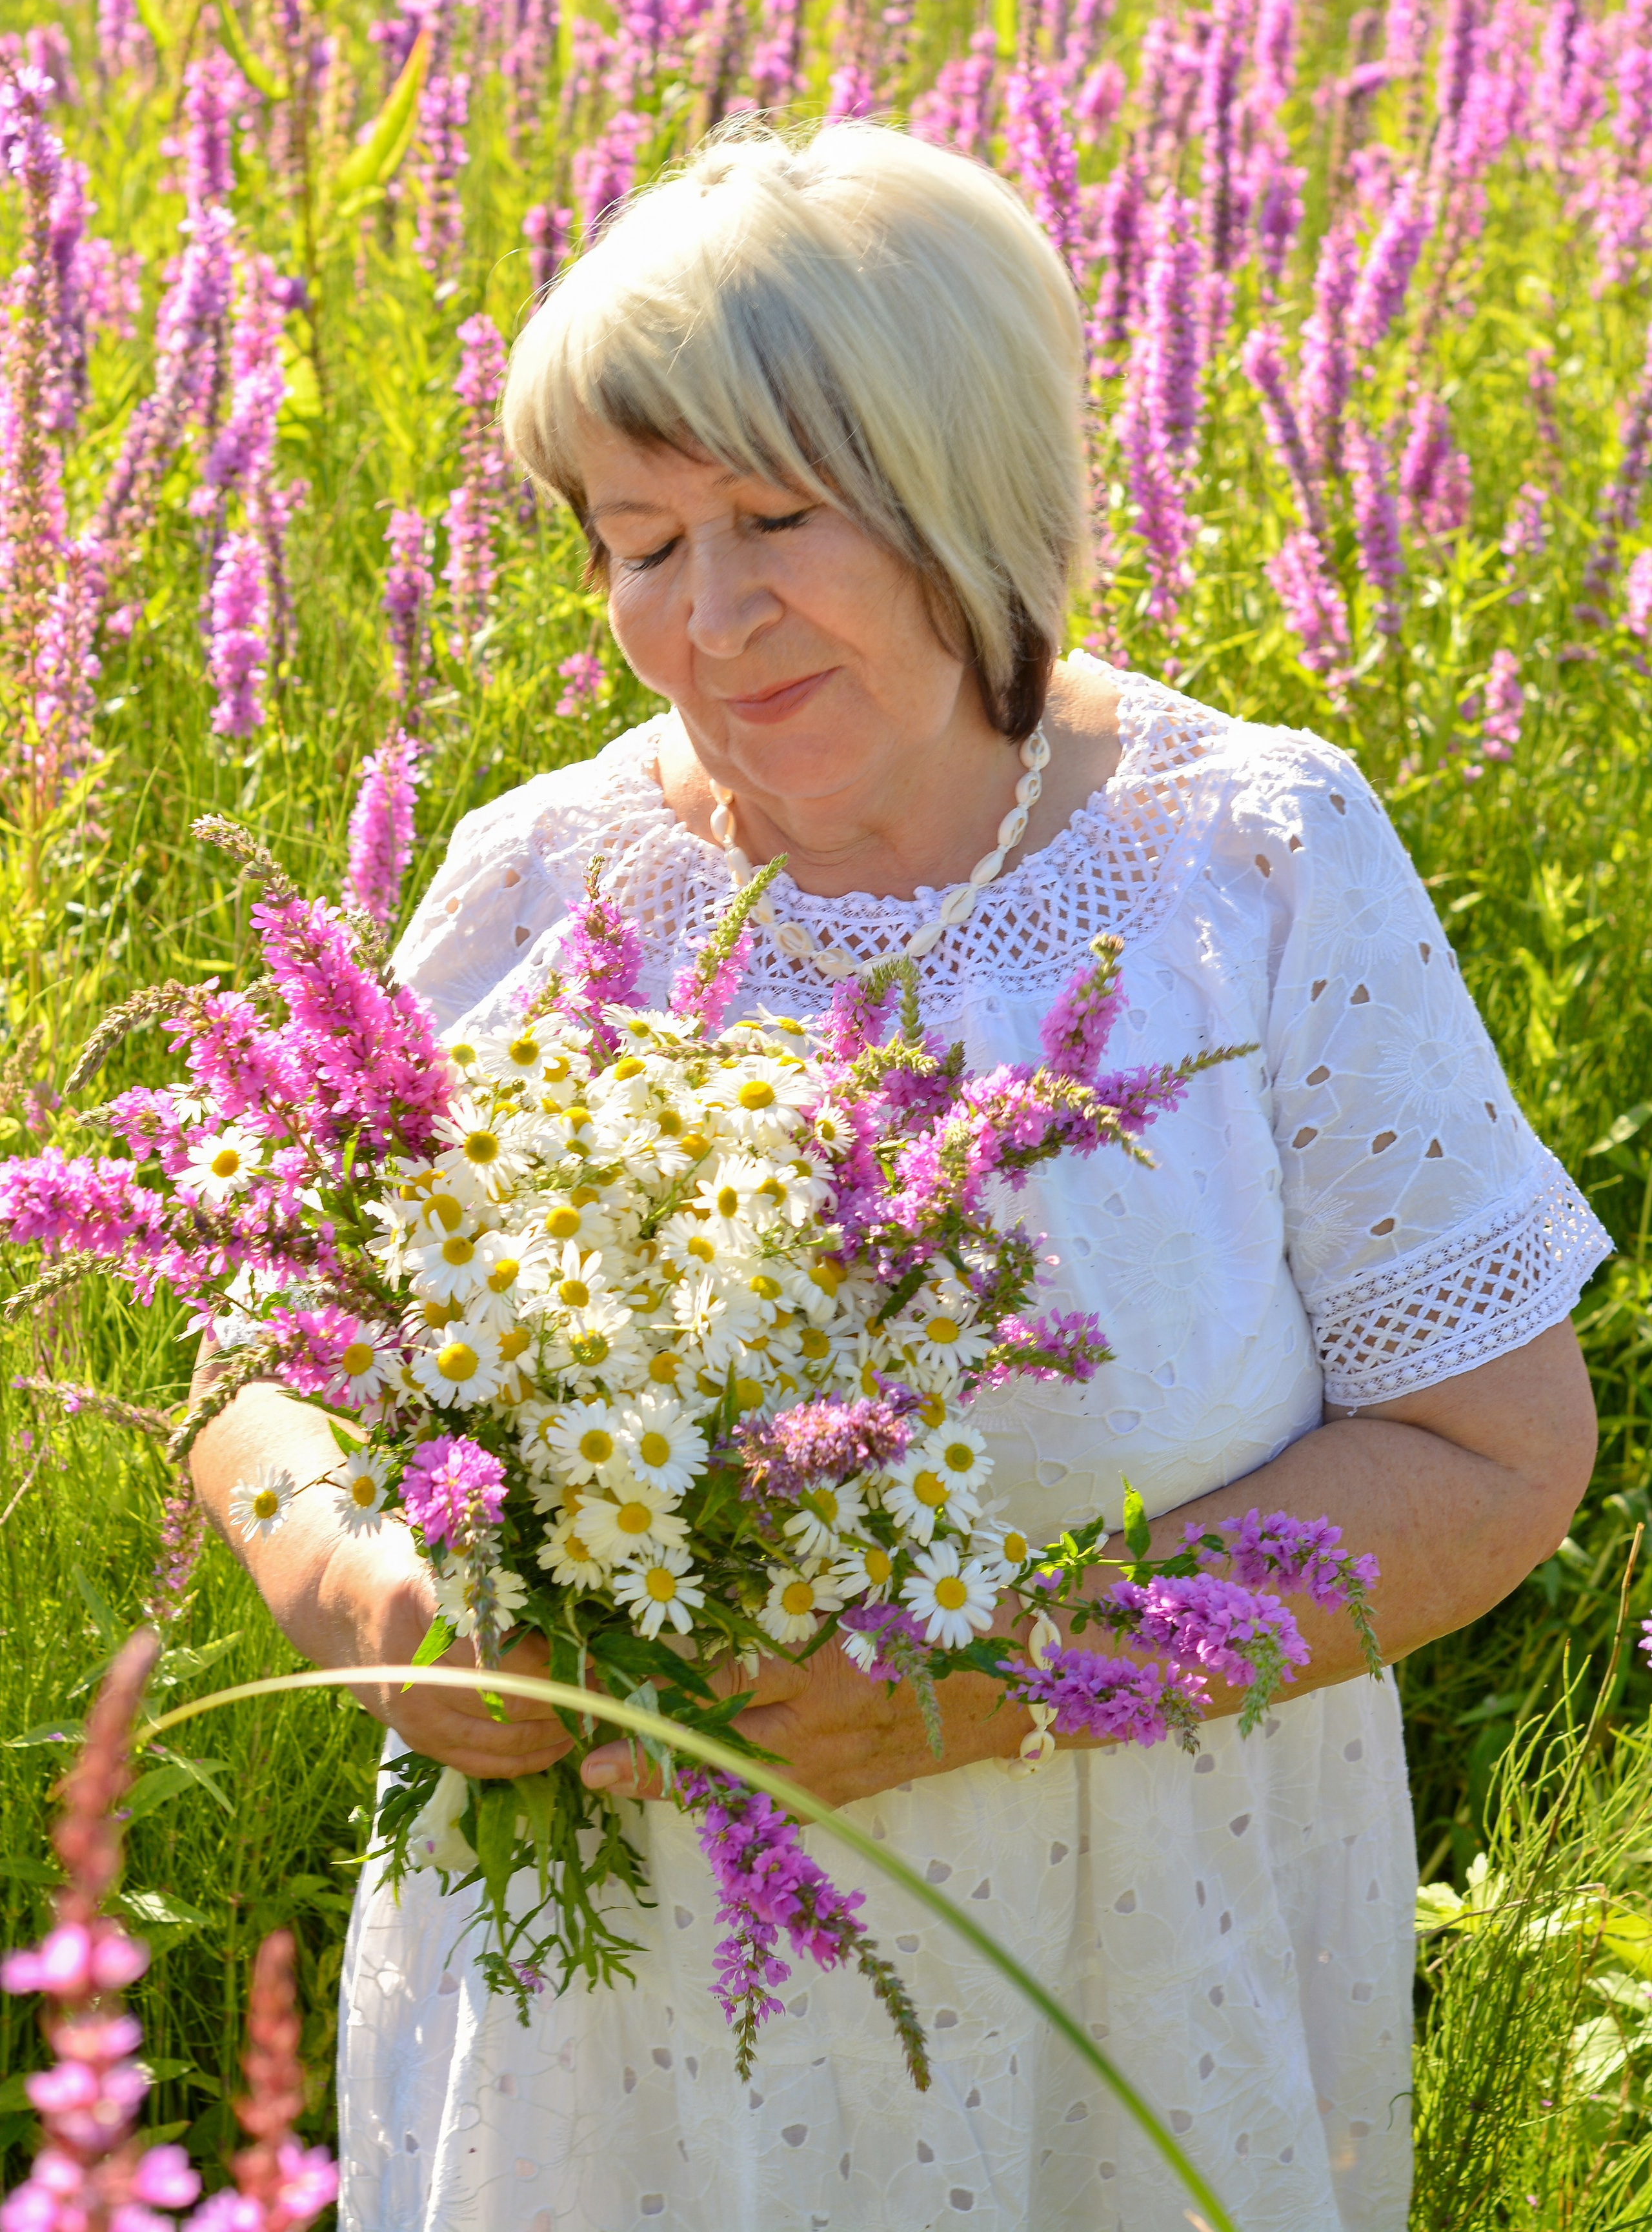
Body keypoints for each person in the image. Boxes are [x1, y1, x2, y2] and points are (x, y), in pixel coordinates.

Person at [190, 120, 1607, 2232]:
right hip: (604, 2037)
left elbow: (1490, 1457)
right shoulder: (543, 880)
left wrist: (985, 1681)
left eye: (781, 517)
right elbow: (262, 1349)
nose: (710, 617)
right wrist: (357, 1592)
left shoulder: (1249, 863)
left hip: (1114, 1996)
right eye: (641, 539)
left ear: (973, 490)